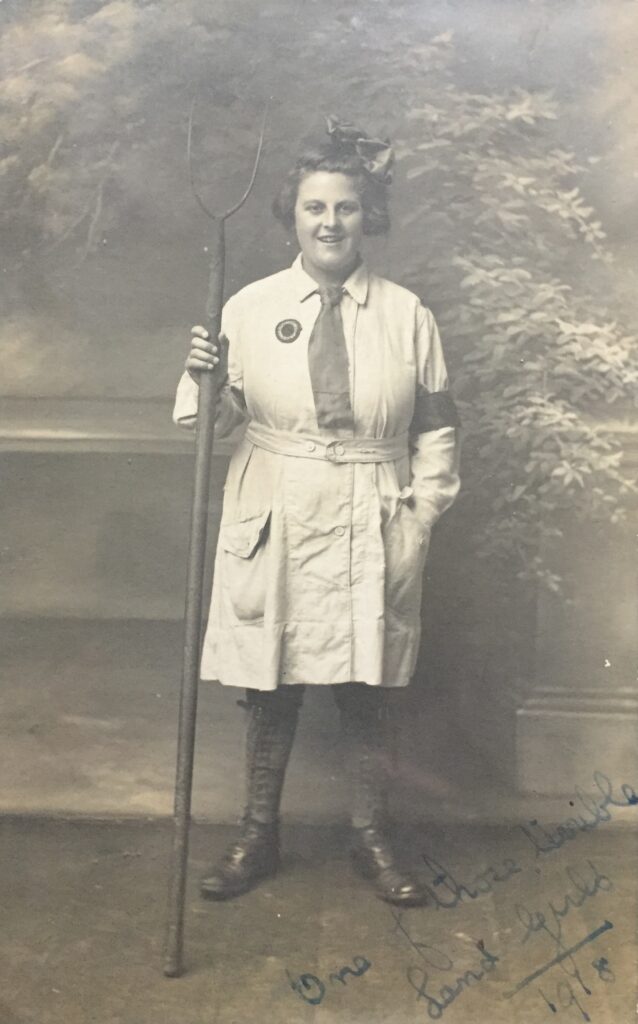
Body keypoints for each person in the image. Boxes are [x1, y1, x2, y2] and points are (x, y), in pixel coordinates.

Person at [172, 116, 460, 906]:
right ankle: (256, 834)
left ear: (368, 216)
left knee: (369, 683)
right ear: (292, 217)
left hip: (375, 509)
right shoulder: (248, 308)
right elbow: (212, 422)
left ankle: (372, 838)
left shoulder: (408, 316)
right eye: (314, 209)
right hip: (277, 506)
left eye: (345, 208)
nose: (330, 223)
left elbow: (438, 429)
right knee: (270, 680)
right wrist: (204, 376)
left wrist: (419, 516)